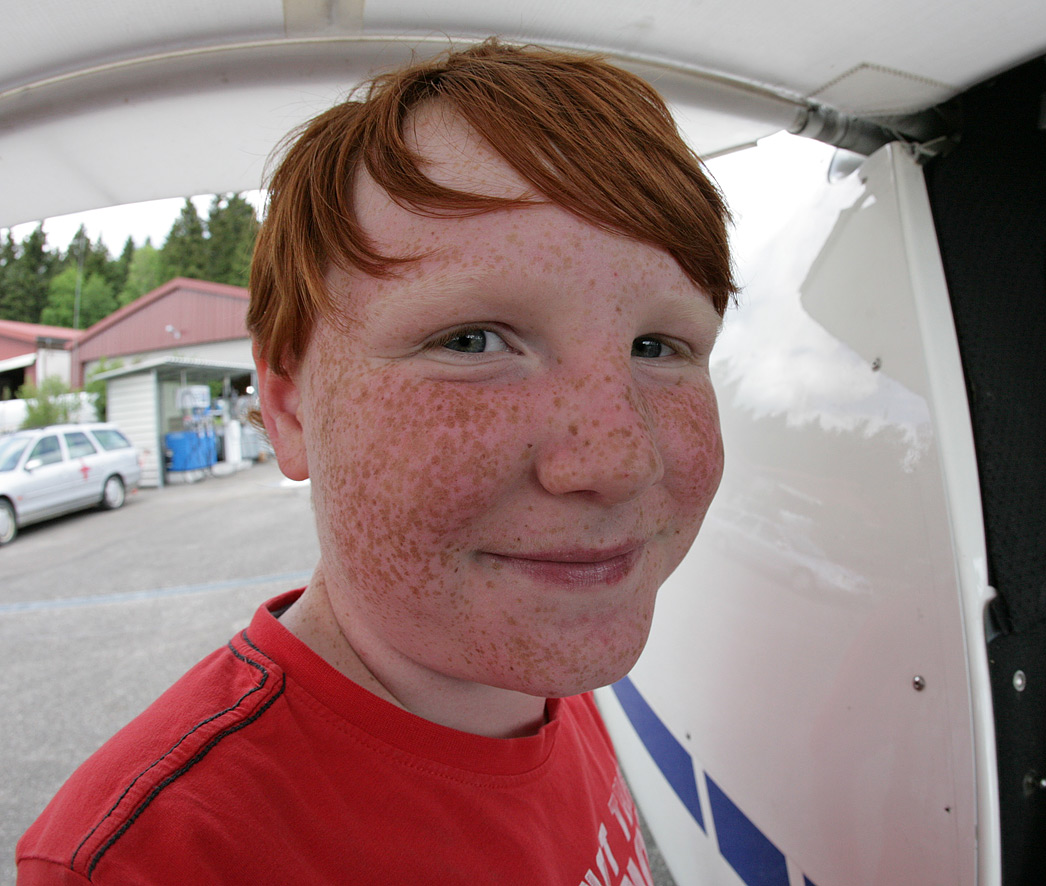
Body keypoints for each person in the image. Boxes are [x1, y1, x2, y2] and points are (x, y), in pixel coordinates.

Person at [17, 39, 733, 884]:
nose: (619, 459)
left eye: (658, 345)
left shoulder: (545, 665)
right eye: (472, 341)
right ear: (289, 408)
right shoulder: (157, 861)